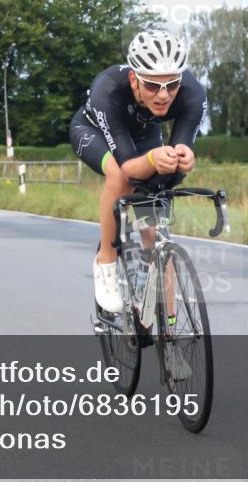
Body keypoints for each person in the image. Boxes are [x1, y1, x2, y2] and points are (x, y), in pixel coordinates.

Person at [69, 30, 207, 319]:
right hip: (95, 133)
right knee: (120, 177)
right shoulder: (107, 89)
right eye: (152, 86)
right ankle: (106, 260)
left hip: (144, 138)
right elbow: (131, 167)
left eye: (172, 85)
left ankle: (168, 328)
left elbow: (181, 143)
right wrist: (154, 158)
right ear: (134, 79)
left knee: (157, 232)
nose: (163, 95)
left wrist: (183, 157)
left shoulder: (192, 93)